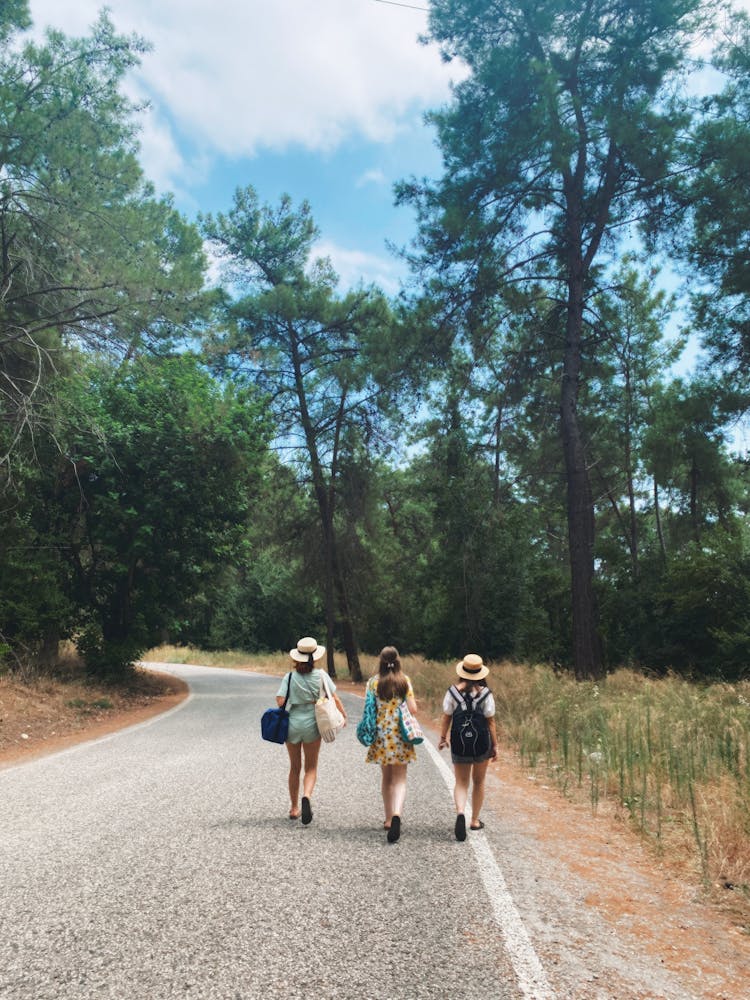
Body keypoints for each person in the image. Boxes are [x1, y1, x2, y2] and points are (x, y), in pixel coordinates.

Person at [276, 636, 347, 824]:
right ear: (315, 657)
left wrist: (296, 698)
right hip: (313, 724)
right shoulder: (322, 675)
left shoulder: (289, 677)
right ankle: (306, 796)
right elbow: (335, 698)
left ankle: (293, 808)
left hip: (292, 724)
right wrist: (343, 716)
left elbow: (280, 701)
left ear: (296, 658)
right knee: (311, 767)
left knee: (294, 767)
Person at [438, 653, 498, 841]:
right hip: (482, 745)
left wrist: (442, 737)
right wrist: (495, 746)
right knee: (479, 782)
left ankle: (461, 812)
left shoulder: (452, 692)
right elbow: (491, 722)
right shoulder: (486, 694)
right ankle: (474, 820)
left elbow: (447, 716)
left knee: (461, 782)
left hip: (459, 743)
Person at [365, 646, 419, 843]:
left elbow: (369, 709)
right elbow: (413, 709)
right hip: (401, 736)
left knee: (386, 778)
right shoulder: (405, 682)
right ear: (398, 661)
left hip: (381, 736)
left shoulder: (373, 682)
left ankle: (388, 819)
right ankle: (397, 813)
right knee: (400, 780)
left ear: (380, 661)